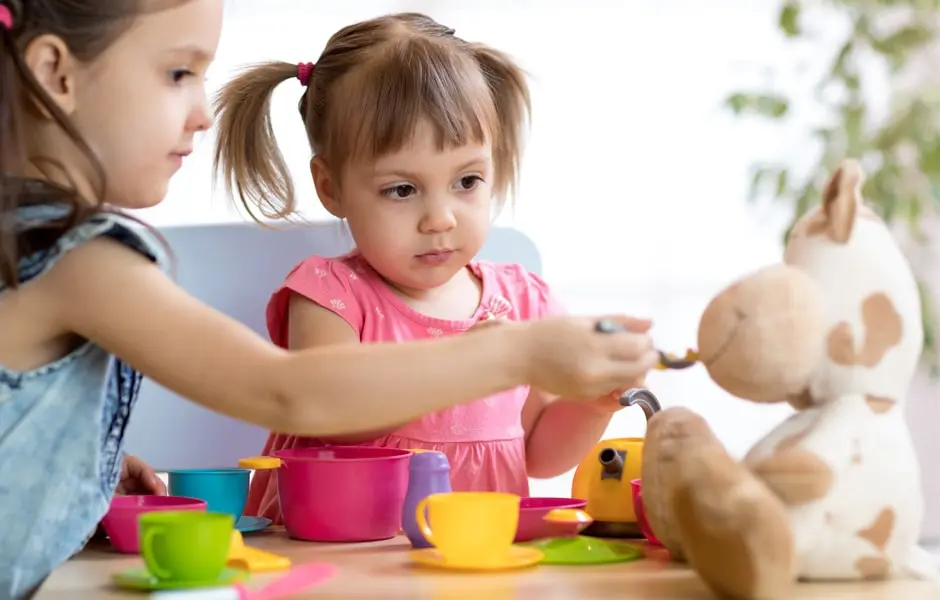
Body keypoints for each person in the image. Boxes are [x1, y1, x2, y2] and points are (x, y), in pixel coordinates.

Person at [0, 1, 656, 597]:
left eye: (467, 181)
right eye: (178, 73)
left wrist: (83, 479)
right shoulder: (75, 259)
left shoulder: (47, 249)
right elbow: (294, 395)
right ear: (56, 72)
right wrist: (511, 354)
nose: (203, 113)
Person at [211, 12, 658, 524]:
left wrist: (592, 404)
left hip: (473, 556)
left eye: (467, 181)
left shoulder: (525, 302)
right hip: (343, 558)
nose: (440, 218)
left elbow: (540, 456)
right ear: (331, 187)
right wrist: (476, 361)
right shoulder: (329, 294)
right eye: (401, 189)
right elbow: (338, 415)